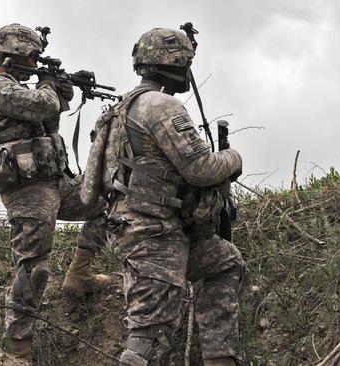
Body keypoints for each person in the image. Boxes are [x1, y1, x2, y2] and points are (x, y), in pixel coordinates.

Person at [82, 28, 244, 366]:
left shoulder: (119, 108)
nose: (189, 70)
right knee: (150, 337)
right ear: (176, 61)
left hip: (151, 228)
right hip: (152, 233)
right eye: (187, 61)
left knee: (224, 262)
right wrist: (234, 159)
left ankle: (219, 358)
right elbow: (201, 168)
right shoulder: (161, 105)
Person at [0, 23, 110, 360]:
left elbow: (47, 123)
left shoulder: (18, 88)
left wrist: (63, 91)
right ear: (16, 54)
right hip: (27, 190)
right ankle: (19, 344)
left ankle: (79, 274)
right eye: (33, 57)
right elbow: (41, 104)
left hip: (54, 181)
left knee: (108, 200)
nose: (36, 63)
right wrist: (52, 87)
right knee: (34, 267)